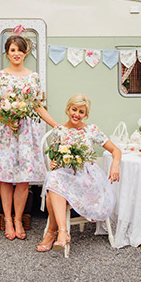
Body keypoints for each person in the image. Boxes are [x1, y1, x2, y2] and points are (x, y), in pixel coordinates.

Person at [0, 34, 58, 240]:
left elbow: (38, 105)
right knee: (5, 179)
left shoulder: (33, 77)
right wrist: (5, 119)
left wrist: (57, 125)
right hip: (4, 132)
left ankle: (19, 219)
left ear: (26, 53)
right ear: (7, 52)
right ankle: (8, 221)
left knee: (23, 181)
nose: (17, 54)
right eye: (13, 50)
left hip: (26, 133)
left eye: (20, 50)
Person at [36, 94, 121, 254]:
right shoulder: (59, 131)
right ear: (68, 109)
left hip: (87, 178)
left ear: (86, 114)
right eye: (74, 109)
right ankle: (62, 232)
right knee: (54, 178)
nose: (77, 114)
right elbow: (55, 155)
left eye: (81, 112)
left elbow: (116, 150)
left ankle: (53, 232)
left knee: (52, 189)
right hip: (66, 173)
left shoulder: (91, 130)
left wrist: (115, 165)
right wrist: (53, 162)